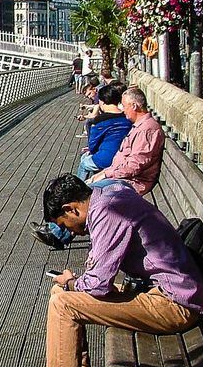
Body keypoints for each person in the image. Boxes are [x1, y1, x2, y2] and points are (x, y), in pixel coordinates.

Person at [16, 175, 203, 367]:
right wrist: (75, 280)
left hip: (174, 304)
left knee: (64, 303)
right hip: (160, 291)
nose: (69, 232)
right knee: (60, 294)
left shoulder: (106, 210)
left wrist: (71, 280)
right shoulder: (109, 193)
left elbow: (98, 285)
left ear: (72, 209)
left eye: (64, 224)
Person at [32, 87, 164, 249]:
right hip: (123, 177)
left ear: (135, 106)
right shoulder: (139, 126)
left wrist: (106, 173)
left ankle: (57, 233)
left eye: (124, 105)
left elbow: (135, 166)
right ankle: (58, 232)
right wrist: (105, 173)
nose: (122, 109)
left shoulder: (147, 130)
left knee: (85, 194)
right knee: (82, 191)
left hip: (133, 182)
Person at [75, 84, 132, 180]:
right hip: (124, 158)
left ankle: (79, 190)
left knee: (84, 162)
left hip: (108, 159)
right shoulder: (127, 118)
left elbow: (92, 146)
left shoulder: (100, 121)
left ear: (102, 102)